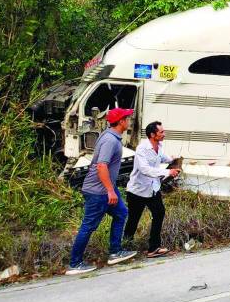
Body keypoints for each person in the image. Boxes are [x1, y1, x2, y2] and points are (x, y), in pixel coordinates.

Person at [66, 107, 138, 275]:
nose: (129, 120)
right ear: (121, 122)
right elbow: (101, 165)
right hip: (98, 191)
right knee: (88, 226)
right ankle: (74, 264)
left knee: (121, 213)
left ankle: (115, 252)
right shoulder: (110, 141)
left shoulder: (110, 135)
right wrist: (110, 191)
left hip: (106, 189)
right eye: (127, 118)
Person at [123, 121, 179, 258]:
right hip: (138, 191)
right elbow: (144, 169)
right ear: (152, 134)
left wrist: (173, 159)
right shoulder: (142, 149)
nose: (164, 134)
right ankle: (124, 247)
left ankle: (153, 248)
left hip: (152, 189)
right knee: (133, 220)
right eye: (161, 132)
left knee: (159, 213)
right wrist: (167, 172)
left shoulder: (159, 146)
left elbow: (162, 157)